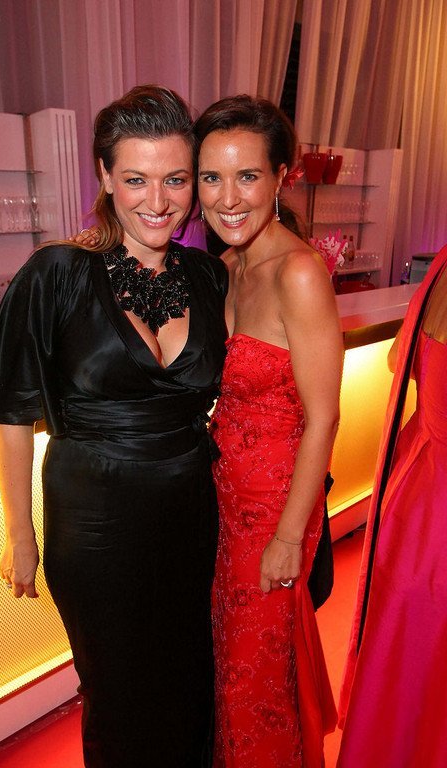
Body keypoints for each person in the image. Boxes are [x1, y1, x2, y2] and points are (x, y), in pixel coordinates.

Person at [0, 85, 228, 768]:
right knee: (117, 693)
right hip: (95, 520)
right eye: (136, 179)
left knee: (189, 678)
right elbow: (13, 413)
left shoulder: (209, 276)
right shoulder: (56, 273)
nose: (158, 201)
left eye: (176, 180)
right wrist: (19, 534)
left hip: (191, 509)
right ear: (105, 176)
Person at [194, 95, 342, 768]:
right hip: (224, 498)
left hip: (274, 507)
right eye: (212, 177)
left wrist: (288, 537)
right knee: (231, 663)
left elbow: (324, 416)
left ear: (282, 176)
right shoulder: (227, 267)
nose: (228, 198)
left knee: (257, 676)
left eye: (247, 176)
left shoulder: (299, 272)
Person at [337, 244, 447, 768]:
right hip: (431, 506)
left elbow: (397, 359)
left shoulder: (443, 263)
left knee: (404, 651)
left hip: (416, 489)